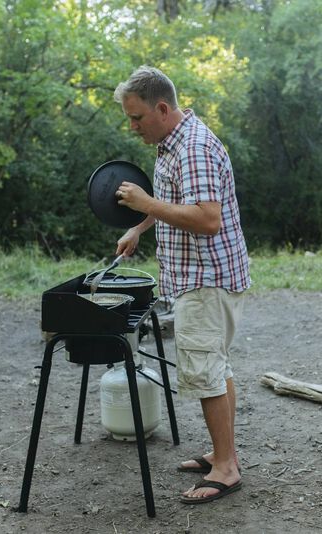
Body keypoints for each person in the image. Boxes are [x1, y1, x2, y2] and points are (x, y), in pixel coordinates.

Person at [112, 65, 250, 504]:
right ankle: (221, 452)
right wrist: (141, 225)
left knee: (206, 373)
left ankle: (226, 469)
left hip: (206, 280)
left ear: (162, 108)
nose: (132, 126)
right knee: (217, 367)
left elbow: (207, 219)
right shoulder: (171, 144)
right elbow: (177, 201)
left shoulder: (192, 147)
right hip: (201, 278)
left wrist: (146, 202)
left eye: (137, 118)